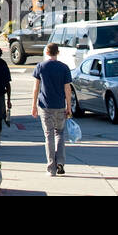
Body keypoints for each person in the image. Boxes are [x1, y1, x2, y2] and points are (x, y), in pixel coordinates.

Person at [30, 42, 73, 177]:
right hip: (60, 105)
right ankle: (60, 161)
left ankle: (51, 168)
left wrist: (33, 106)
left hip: (45, 106)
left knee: (48, 135)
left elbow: (36, 88)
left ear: (47, 53)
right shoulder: (64, 68)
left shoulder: (40, 67)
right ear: (57, 52)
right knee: (59, 133)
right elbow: (68, 89)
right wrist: (69, 107)